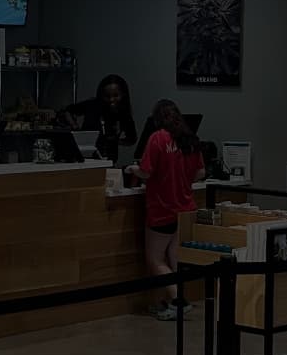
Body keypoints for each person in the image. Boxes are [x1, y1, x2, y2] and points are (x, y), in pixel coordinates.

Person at [126, 100, 205, 320]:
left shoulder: (158, 138)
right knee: (174, 258)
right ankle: (169, 302)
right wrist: (182, 180)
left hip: (162, 209)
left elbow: (146, 172)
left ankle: (179, 301)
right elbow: (201, 173)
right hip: (186, 208)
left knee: (155, 260)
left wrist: (132, 169)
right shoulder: (190, 139)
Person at [62, 74, 137, 162]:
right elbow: (68, 111)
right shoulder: (92, 105)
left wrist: (115, 142)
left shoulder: (123, 113)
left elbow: (132, 139)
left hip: (109, 159)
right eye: (107, 96)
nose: (111, 100)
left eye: (116, 95)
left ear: (123, 95)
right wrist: (75, 127)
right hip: (86, 156)